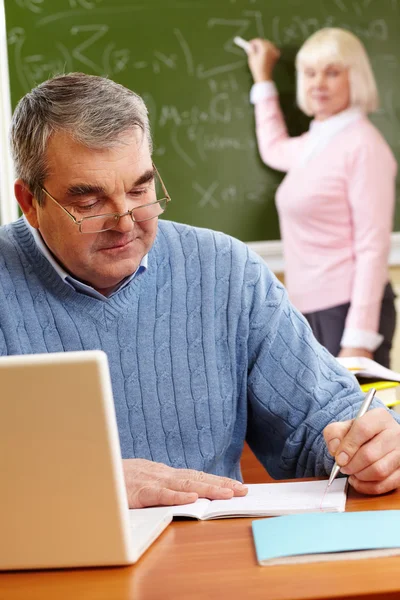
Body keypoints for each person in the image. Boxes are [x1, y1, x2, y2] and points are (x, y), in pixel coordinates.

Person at [4, 72, 400, 509]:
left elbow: (320, 425)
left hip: (209, 553)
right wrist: (90, 483)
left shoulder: (229, 272)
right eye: (89, 203)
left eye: (140, 188)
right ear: (29, 203)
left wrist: (372, 448)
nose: (125, 220)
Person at [246, 28, 397, 367]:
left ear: (355, 77)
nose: (318, 84)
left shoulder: (363, 145)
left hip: (345, 313)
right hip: (309, 308)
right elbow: (274, 149)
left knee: (358, 420)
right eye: (310, 73)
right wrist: (262, 79)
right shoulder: (318, 141)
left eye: (332, 72)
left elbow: (373, 247)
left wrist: (359, 338)